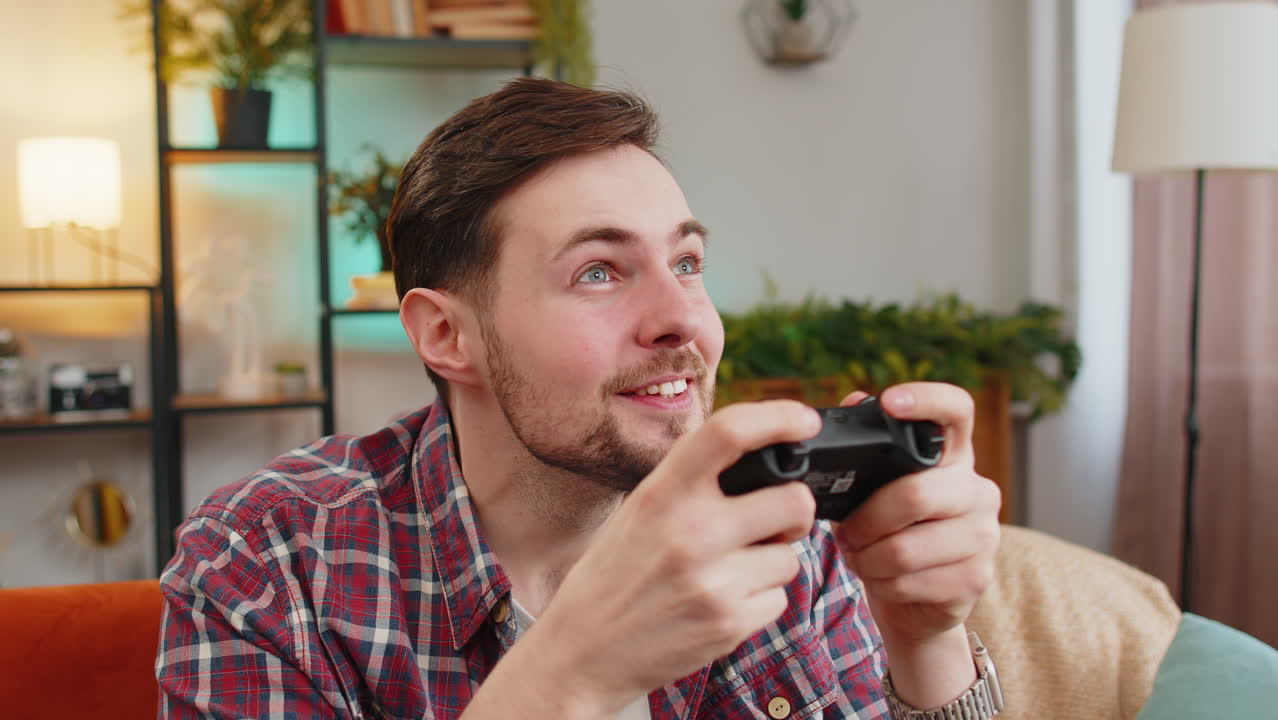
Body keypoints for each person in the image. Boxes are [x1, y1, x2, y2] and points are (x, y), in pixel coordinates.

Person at [156, 78, 1003, 720]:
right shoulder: (267, 566)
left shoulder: (789, 531)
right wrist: (575, 670)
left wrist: (925, 640)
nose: (683, 322)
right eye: (598, 272)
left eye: (687, 264)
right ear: (448, 336)